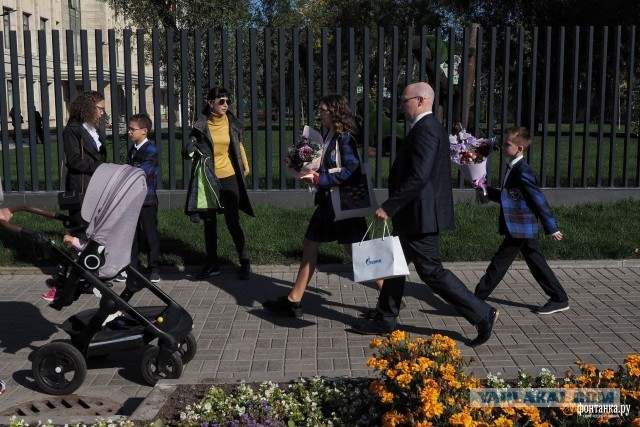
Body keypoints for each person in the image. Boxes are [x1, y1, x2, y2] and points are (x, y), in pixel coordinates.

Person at [350, 82, 498, 348]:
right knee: (394, 267)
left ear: (419, 100)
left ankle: (482, 312)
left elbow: (419, 176)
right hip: (415, 213)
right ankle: (385, 319)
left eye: (404, 100)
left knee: (431, 271)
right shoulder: (426, 128)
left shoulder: (427, 130)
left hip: (420, 214)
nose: (401, 106)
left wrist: (389, 206)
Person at [262, 93, 383, 318]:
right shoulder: (329, 134)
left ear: (335, 112)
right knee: (311, 243)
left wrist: (320, 179)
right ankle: (293, 300)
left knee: (356, 251)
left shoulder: (345, 138)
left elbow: (351, 170)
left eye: (324, 110)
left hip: (343, 205)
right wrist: (299, 159)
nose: (320, 113)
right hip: (329, 203)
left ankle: (388, 299)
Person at [473, 126, 569, 314]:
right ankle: (559, 298)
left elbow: (538, 199)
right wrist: (484, 188)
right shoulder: (513, 167)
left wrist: (552, 227)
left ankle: (475, 300)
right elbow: (508, 197)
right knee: (535, 261)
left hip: (519, 227)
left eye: (507, 144)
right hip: (520, 226)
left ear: (520, 149)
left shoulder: (522, 171)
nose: (503, 147)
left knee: (499, 263)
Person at [42, 90, 108, 301]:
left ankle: (88, 278)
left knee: (93, 234)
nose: (102, 113)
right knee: (82, 232)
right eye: (99, 108)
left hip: (96, 184)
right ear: (88, 108)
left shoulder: (94, 127)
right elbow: (74, 161)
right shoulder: (72, 129)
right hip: (82, 188)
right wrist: (100, 166)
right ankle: (67, 279)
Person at [184, 87, 254, 280]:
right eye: (221, 101)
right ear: (210, 102)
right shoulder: (200, 125)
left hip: (230, 176)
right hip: (208, 178)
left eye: (227, 101)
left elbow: (239, 145)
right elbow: (190, 146)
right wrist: (190, 148)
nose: (225, 105)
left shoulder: (231, 122)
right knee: (210, 222)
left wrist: (245, 167)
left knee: (232, 220)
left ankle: (245, 260)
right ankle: (212, 263)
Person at [127, 113, 161, 283]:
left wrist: (129, 170)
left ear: (144, 131)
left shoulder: (151, 151)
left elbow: (141, 173)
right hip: (132, 199)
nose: (129, 132)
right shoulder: (133, 149)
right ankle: (132, 266)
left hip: (147, 199)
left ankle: (154, 267)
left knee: (150, 233)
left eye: (132, 129)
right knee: (132, 234)